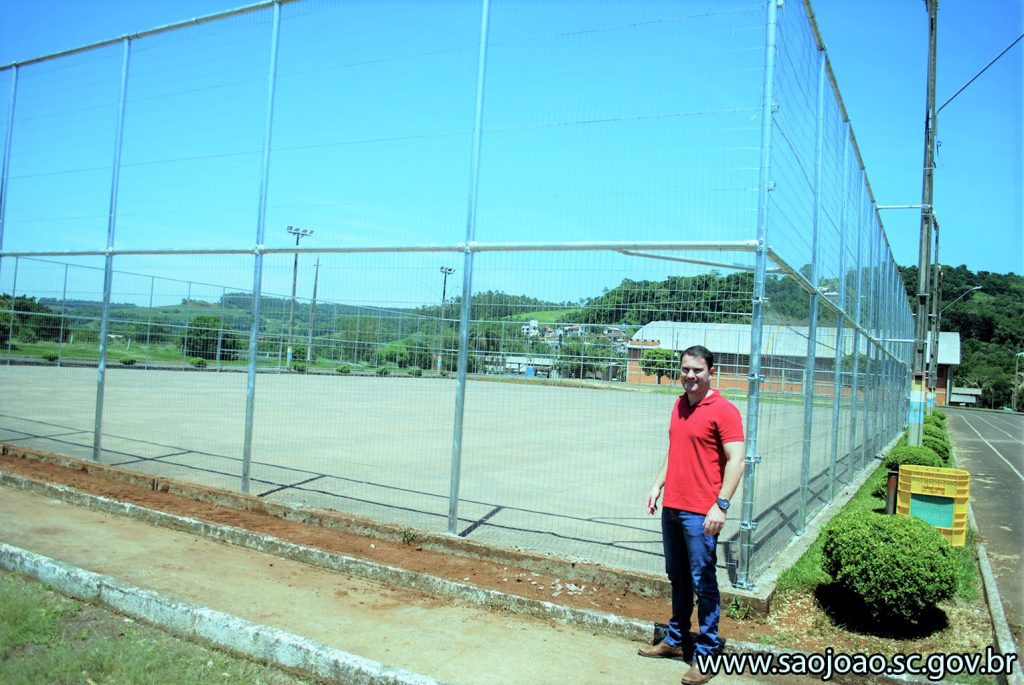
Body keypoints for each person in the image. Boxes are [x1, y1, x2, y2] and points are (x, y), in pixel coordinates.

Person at [638, 345, 745, 685]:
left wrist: (721, 505)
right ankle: (674, 638)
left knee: (704, 581)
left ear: (710, 371)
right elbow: (676, 450)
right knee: (678, 577)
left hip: (702, 513)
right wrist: (657, 485)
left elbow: (737, 461)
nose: (690, 376)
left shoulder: (725, 411)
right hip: (673, 508)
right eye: (685, 369)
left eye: (697, 370)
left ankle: (707, 653)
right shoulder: (680, 405)